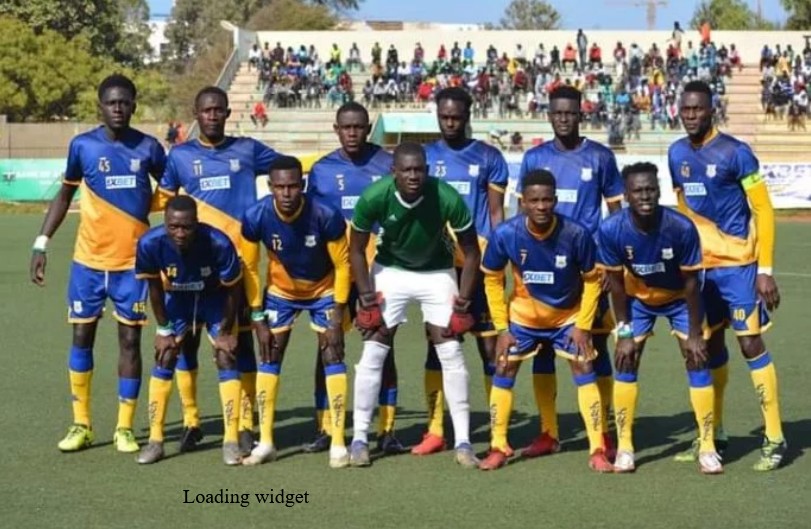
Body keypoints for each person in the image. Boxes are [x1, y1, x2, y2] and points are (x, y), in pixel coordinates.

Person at [30, 74, 166, 453]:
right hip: (88, 262)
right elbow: (64, 195)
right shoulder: (83, 146)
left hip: (132, 265)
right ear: (100, 106)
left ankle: (124, 427)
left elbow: (171, 189)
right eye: (111, 102)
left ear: (134, 105)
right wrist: (41, 243)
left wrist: (145, 209)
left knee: (130, 341)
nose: (118, 108)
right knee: (81, 337)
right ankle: (82, 424)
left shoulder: (149, 147)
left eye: (124, 102)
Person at [153, 86, 282, 456]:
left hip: (239, 264)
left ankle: (245, 424)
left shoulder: (248, 149)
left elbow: (286, 168)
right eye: (206, 110)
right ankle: (191, 421)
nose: (212, 115)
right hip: (192, 264)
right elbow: (163, 201)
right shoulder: (180, 156)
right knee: (187, 343)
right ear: (196, 113)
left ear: (227, 113)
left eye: (219, 110)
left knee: (241, 342)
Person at [669, 80, 786, 471]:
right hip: (699, 272)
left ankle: (775, 437)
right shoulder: (675, 153)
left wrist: (764, 270)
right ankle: (712, 434)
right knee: (706, 347)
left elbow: (763, 210)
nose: (691, 115)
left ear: (711, 110)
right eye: (686, 109)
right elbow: (683, 207)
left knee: (750, 343)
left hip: (738, 267)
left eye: (698, 109)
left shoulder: (736, 152)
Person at [348, 142, 480, 468]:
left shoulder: (446, 196)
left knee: (451, 351)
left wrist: (463, 300)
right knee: (373, 351)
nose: (412, 176)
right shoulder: (374, 196)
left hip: (437, 272)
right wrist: (365, 295)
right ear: (393, 171)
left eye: (418, 169)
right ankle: (360, 439)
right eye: (406, 170)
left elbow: (471, 251)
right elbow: (356, 250)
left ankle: (464, 442)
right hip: (390, 271)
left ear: (427, 170)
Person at [477, 170, 612, 472]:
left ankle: (598, 449)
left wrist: (583, 326)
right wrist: (502, 328)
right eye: (534, 200)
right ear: (523, 202)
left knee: (584, 367)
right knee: (503, 367)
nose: (541, 206)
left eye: (547, 200)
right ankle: (499, 446)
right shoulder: (506, 234)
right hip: (523, 318)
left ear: (556, 200)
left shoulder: (575, 234)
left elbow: (592, 280)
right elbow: (492, 280)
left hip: (567, 318)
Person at [517, 85, 623, 459]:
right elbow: (521, 214)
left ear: (581, 114)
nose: (564, 119)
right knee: (543, 347)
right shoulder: (534, 158)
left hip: (588, 269)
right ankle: (549, 432)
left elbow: (616, 213)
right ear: (549, 115)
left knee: (594, 346)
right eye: (558, 113)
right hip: (543, 269)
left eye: (571, 113)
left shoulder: (600, 157)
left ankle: (603, 431)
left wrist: (611, 262)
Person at [597, 163, 722, 474]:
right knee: (626, 359)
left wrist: (695, 333)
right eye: (638, 191)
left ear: (659, 190)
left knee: (697, 358)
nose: (645, 196)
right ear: (626, 195)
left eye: (650, 189)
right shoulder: (611, 229)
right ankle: (625, 447)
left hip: (680, 299)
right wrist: (624, 333)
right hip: (637, 299)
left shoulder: (681, 227)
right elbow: (616, 285)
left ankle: (708, 447)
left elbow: (692, 284)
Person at [414, 87, 509, 456]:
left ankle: (498, 434)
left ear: (468, 116)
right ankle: (436, 429)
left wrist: (499, 258)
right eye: (444, 116)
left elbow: (496, 213)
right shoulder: (424, 157)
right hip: (439, 267)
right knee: (437, 344)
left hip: (479, 264)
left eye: (456, 117)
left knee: (490, 347)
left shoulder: (488, 156)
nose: (450, 122)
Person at [305, 102, 404, 455]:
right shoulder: (321, 170)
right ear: (336, 129)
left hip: (379, 271)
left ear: (368, 128)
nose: (352, 133)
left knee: (382, 347)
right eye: (346, 127)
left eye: (359, 127)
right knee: (328, 346)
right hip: (336, 273)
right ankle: (326, 427)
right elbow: (311, 221)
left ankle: (386, 430)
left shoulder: (386, 164)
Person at [239, 156, 350, 468]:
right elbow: (250, 268)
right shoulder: (255, 216)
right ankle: (266, 442)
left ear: (301, 185)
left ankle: (338, 443)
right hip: (281, 294)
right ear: (270, 186)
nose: (286, 193)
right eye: (279, 187)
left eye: (292, 186)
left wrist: (338, 315)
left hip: (323, 291)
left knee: (333, 354)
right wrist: (257, 316)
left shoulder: (325, 214)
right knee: (269, 355)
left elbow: (343, 266)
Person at [135, 196, 243, 465]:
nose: (180, 233)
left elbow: (234, 289)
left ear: (197, 222)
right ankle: (155, 441)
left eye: (187, 227)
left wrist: (226, 331)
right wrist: (163, 329)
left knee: (226, 356)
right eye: (173, 227)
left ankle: (231, 440)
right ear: (165, 223)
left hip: (214, 299)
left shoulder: (218, 242)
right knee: (165, 355)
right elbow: (154, 288)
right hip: (178, 301)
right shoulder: (149, 243)